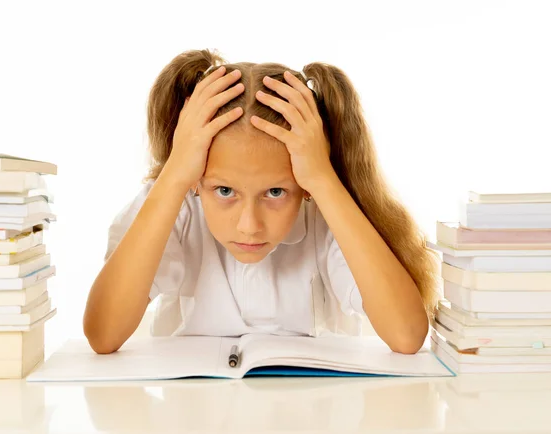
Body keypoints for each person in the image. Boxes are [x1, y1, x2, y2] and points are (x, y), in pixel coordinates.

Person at [83, 48, 440, 355]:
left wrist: (323, 178)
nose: (249, 225)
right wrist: (174, 174)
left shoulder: (326, 214)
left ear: (304, 186)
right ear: (196, 181)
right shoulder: (174, 203)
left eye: (275, 192)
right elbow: (103, 334)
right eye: (224, 192)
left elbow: (406, 336)